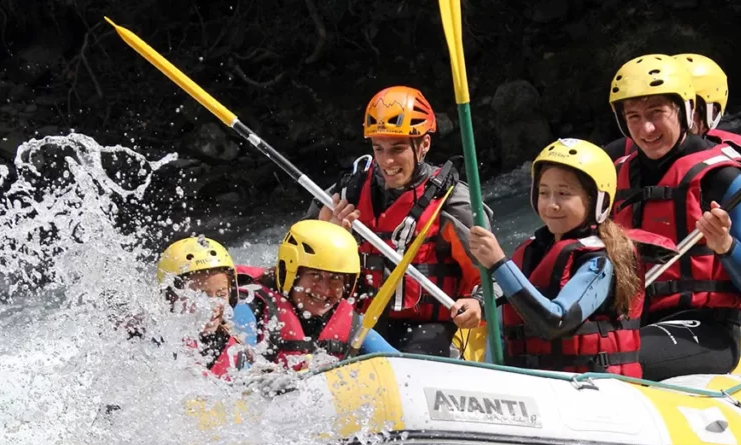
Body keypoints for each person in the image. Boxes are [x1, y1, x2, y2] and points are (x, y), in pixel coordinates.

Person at [607, 54, 741, 380]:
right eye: (633, 116)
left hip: (707, 327)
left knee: (604, 358)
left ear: (685, 111)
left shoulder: (723, 179)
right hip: (634, 318)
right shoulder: (613, 176)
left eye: (657, 113)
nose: (645, 128)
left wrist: (725, 244)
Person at [305, 85, 491, 357]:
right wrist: (325, 236)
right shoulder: (348, 192)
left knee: (414, 357)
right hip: (363, 319)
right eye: (378, 148)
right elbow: (295, 268)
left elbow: (496, 273)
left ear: (424, 144)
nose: (386, 160)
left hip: (433, 326)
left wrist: (479, 303)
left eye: (398, 148)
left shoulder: (453, 201)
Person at [464, 138, 675, 376]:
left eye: (564, 193)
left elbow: (556, 322)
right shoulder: (535, 248)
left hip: (592, 389)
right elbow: (509, 289)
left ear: (596, 200)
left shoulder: (602, 262)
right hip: (540, 383)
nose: (552, 204)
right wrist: (478, 303)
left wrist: (499, 263)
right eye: (544, 193)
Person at [232, 220, 397, 372]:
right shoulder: (248, 307)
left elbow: (400, 363)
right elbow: (239, 375)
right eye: (315, 275)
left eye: (336, 278)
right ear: (290, 274)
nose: (325, 290)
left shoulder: (353, 324)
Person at [156, 236, 248, 378]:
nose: (213, 306)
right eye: (200, 296)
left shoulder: (236, 350)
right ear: (171, 299)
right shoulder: (155, 346)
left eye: (221, 294)